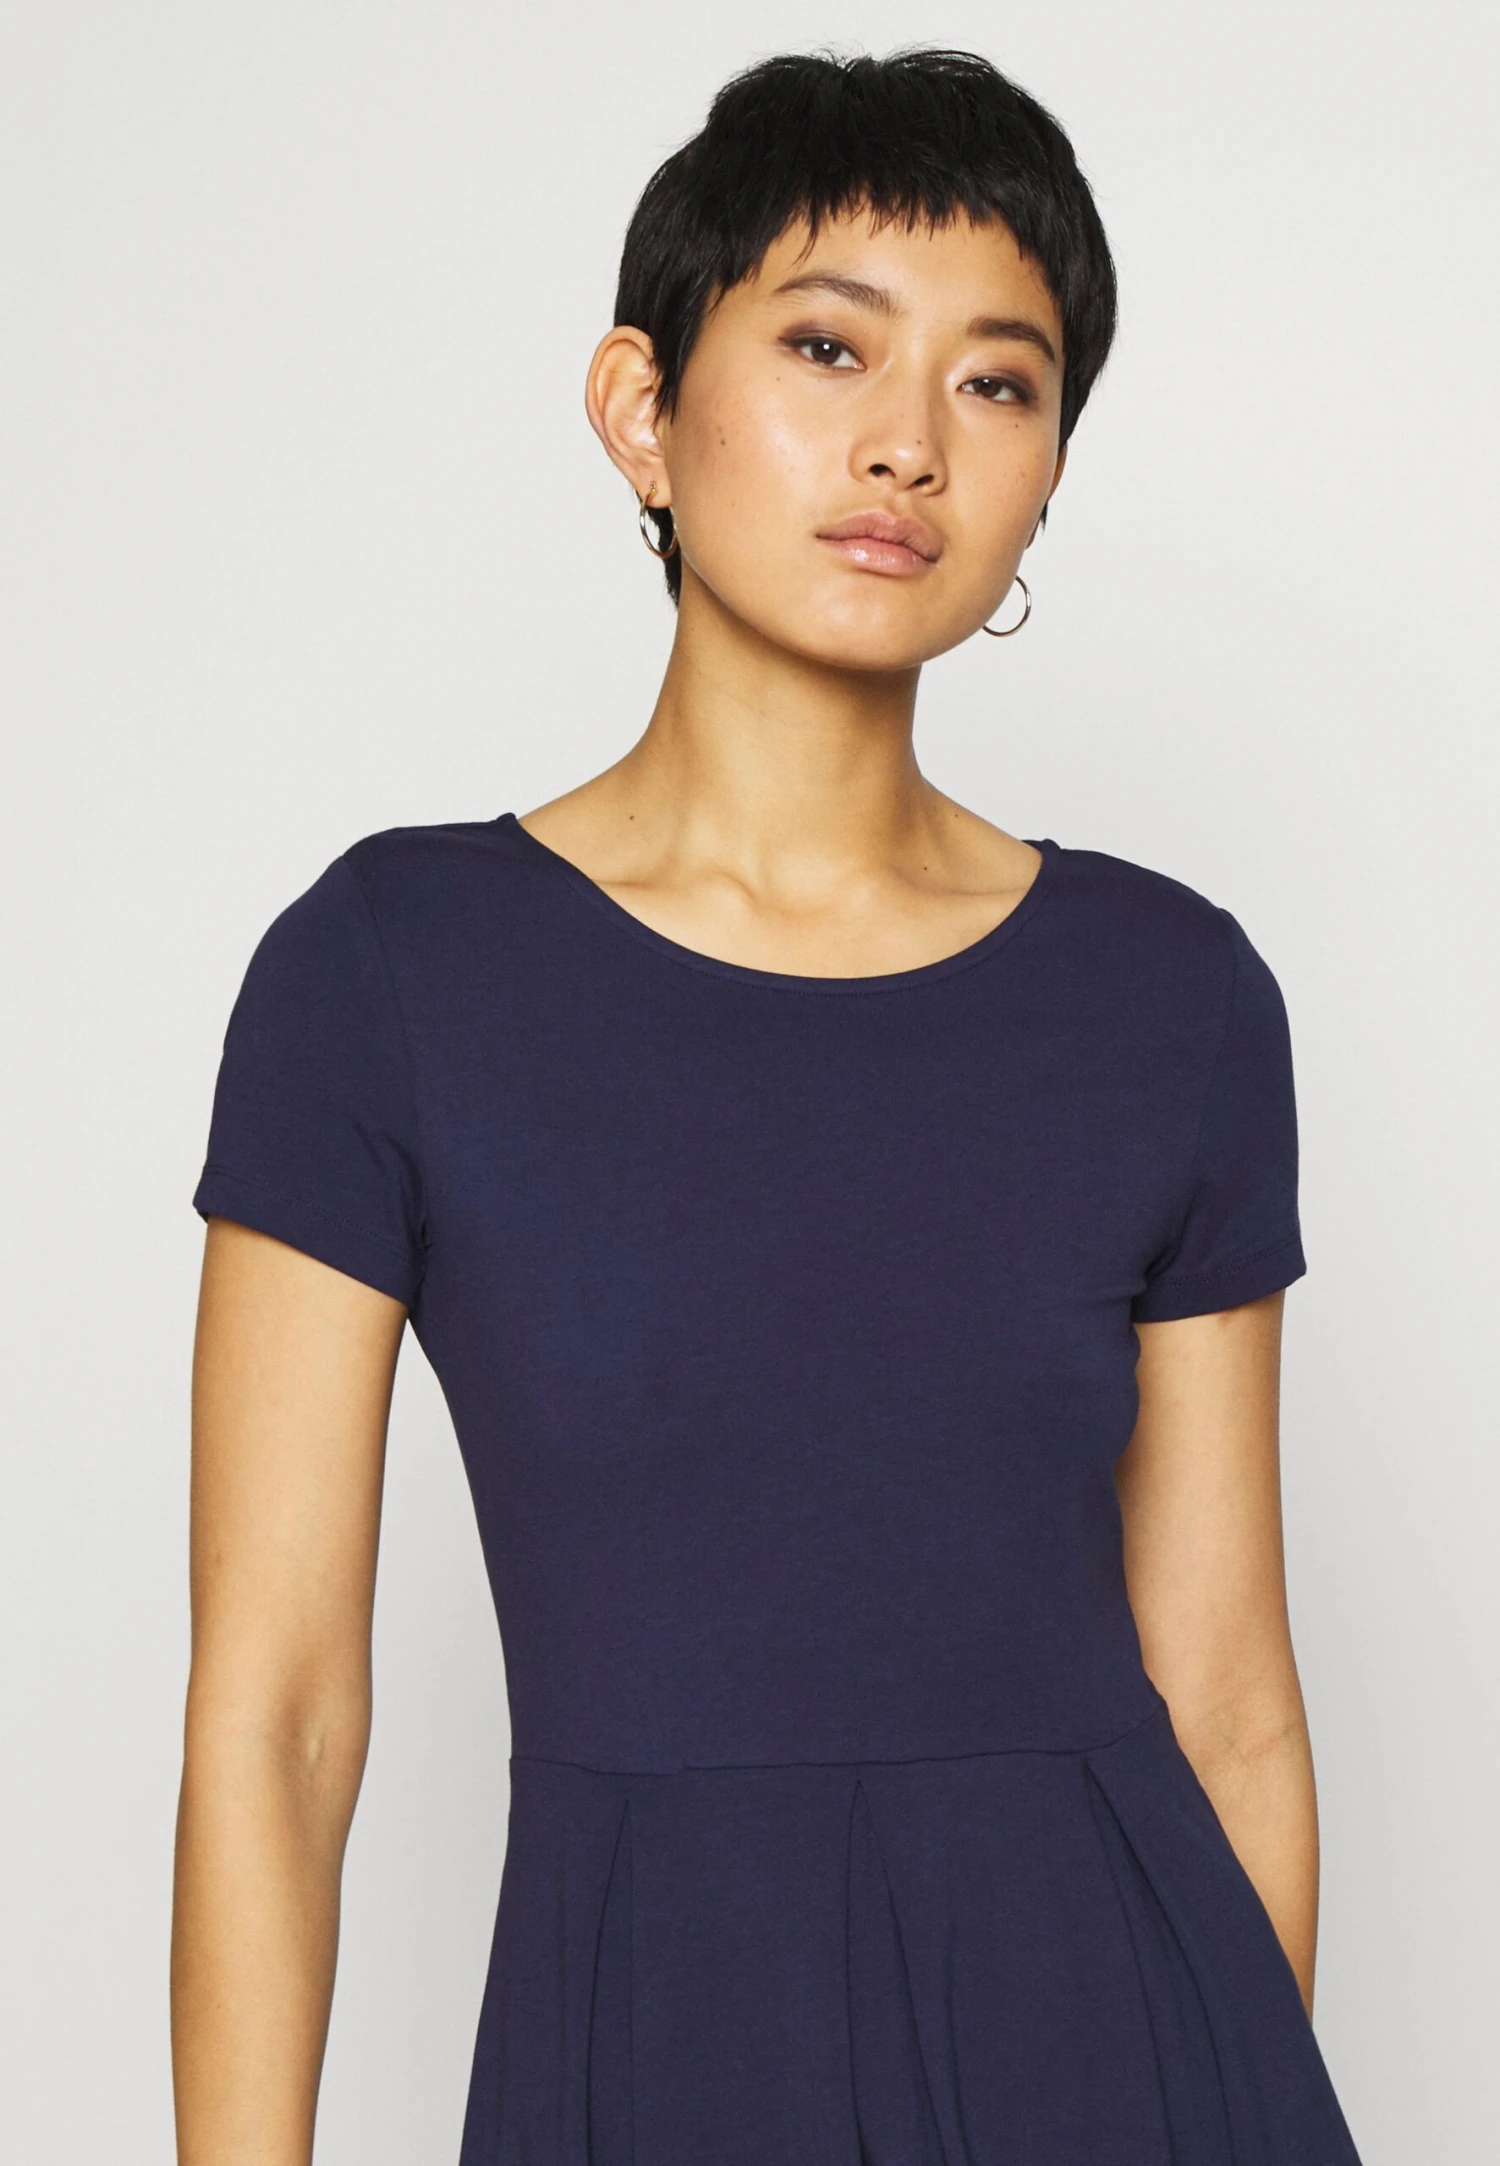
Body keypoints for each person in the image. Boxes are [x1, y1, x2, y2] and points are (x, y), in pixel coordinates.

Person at [172, 46, 1367, 2166]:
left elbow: (1234, 1703)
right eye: (829, 346)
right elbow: (276, 1727)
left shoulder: (1169, 995)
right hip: (655, 2049)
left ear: (1048, 473)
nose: (908, 441)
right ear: (640, 407)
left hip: (1133, 2058)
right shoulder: (389, 976)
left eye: (998, 383)